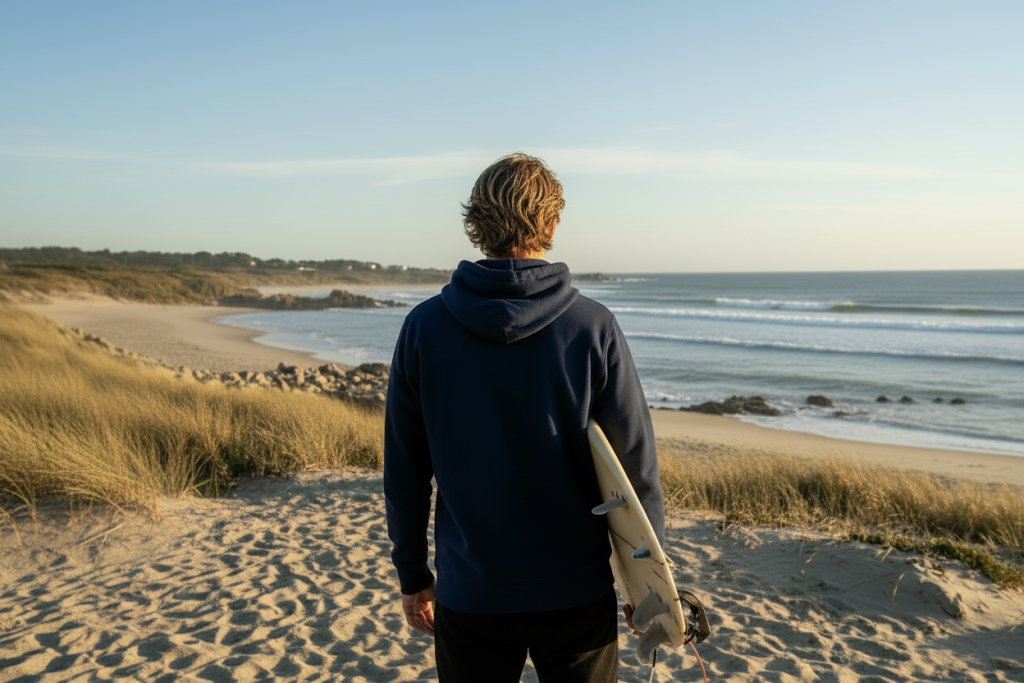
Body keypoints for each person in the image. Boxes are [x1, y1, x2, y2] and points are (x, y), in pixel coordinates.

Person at [384, 152, 665, 683]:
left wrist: (413, 575)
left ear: (475, 224)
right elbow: (636, 468)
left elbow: (404, 471)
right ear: (553, 222)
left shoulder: (423, 328)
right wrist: (647, 584)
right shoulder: (593, 326)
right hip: (576, 595)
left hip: (471, 593)